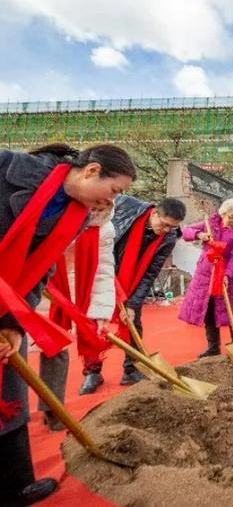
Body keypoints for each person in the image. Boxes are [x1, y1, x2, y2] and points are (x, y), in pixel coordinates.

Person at [0, 143, 135, 506]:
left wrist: (14, 322)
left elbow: (39, 268)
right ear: (91, 171)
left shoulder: (75, 214)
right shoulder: (9, 169)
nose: (113, 200)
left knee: (9, 391)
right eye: (114, 190)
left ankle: (14, 484)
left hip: (8, 299)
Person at [82, 195, 185, 386]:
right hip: (104, 271)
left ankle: (132, 368)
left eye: (172, 227)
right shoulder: (126, 206)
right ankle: (92, 371)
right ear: (154, 213)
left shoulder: (168, 238)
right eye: (164, 224)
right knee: (95, 322)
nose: (166, 230)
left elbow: (150, 273)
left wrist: (132, 304)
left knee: (132, 322)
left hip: (133, 282)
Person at [41, 206, 116, 402]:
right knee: (48, 339)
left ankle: (92, 372)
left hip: (85, 281)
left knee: (90, 329)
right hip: (47, 281)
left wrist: (102, 308)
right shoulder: (54, 213)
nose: (103, 203)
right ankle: (47, 403)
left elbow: (104, 268)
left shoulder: (105, 227)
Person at [178, 199, 233, 357]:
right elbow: (184, 232)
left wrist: (227, 274)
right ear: (223, 214)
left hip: (227, 275)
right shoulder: (210, 223)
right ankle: (213, 346)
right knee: (208, 309)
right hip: (206, 275)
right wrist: (199, 234)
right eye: (232, 217)